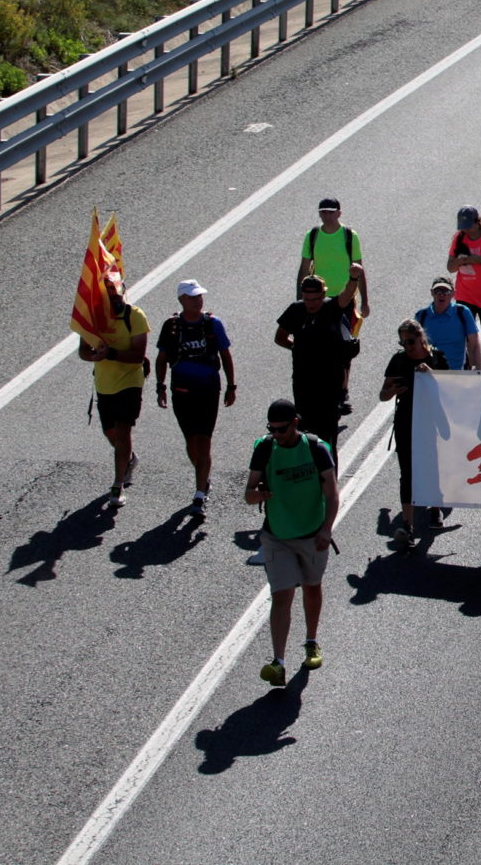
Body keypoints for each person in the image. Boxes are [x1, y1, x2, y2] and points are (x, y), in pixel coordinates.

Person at [246, 399, 338, 687]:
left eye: (282, 429)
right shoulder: (264, 448)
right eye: (271, 429)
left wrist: (326, 529)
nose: (277, 434)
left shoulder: (316, 448)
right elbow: (248, 494)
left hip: (312, 535)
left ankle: (311, 640)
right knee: (282, 595)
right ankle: (278, 662)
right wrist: (259, 495)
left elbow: (332, 493)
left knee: (312, 587)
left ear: (295, 423)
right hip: (277, 536)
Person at [153, 278, 236, 519]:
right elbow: (161, 359)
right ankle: (203, 473)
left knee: (204, 439)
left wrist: (231, 385)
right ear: (181, 300)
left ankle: (200, 493)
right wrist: (160, 387)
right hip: (182, 390)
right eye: (192, 297)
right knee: (191, 441)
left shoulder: (213, 324)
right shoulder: (171, 326)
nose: (198, 300)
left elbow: (225, 354)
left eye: (200, 296)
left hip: (208, 389)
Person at [273, 272, 361, 463]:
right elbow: (279, 337)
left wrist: (354, 278)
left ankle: (330, 482)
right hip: (304, 385)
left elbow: (347, 294)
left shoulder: (332, 308)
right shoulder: (296, 310)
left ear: (323, 295)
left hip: (330, 386)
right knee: (306, 434)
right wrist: (295, 348)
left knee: (328, 437)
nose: (310, 303)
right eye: (306, 298)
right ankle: (311, 479)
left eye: (315, 299)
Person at [80, 277, 150, 505]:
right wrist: (93, 355)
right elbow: (83, 351)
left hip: (129, 383)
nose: (113, 295)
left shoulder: (135, 317)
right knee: (110, 433)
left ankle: (117, 485)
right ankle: (128, 459)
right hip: (104, 385)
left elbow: (138, 355)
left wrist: (110, 354)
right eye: (108, 292)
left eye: (116, 291)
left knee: (123, 432)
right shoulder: (94, 320)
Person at [380, 318, 447, 550]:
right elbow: (383, 395)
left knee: (433, 467)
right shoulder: (399, 360)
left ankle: (435, 509)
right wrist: (393, 390)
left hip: (431, 420)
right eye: (403, 342)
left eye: (410, 341)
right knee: (407, 471)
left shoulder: (437, 358)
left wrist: (431, 374)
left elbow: (451, 389)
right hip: (406, 420)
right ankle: (407, 525)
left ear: (421, 338)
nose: (407, 346)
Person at [298, 199, 369, 326]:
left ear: (339, 214)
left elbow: (359, 270)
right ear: (319, 214)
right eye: (323, 212)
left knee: (344, 338)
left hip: (346, 296)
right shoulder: (312, 235)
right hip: (318, 297)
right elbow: (304, 269)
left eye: (331, 212)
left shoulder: (350, 236)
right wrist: (300, 300)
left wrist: (365, 302)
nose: (327, 216)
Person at [448, 206, 481, 343]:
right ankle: (466, 361)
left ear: (477, 222)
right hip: (465, 295)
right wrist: (459, 262)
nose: (466, 230)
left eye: (469, 226)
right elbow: (450, 267)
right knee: (463, 331)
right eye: (463, 226)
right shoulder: (459, 238)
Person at [414, 275, 481, 371]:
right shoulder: (421, 315)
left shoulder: (462, 312)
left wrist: (479, 372)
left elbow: (475, 344)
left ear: (453, 293)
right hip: (428, 374)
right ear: (432, 293)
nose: (441, 294)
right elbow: (414, 346)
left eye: (446, 291)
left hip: (455, 374)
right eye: (437, 291)